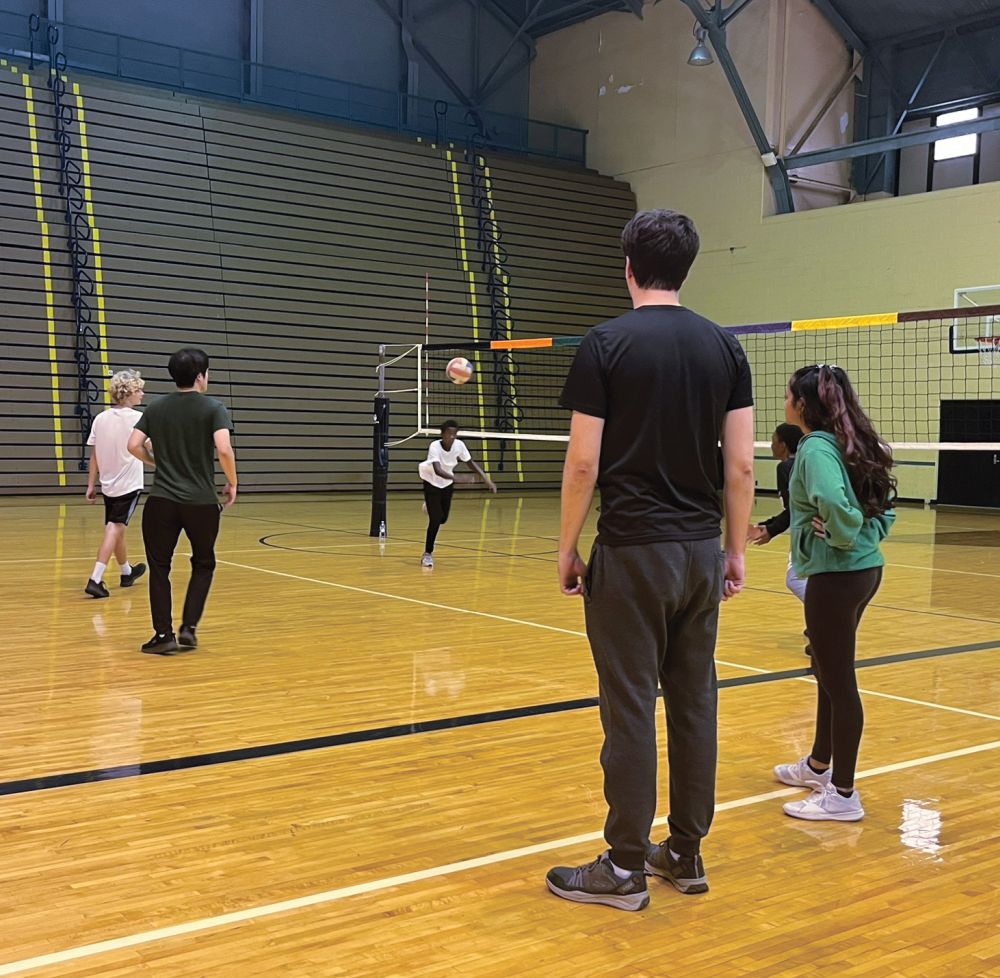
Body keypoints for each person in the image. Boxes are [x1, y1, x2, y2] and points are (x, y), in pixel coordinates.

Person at [546, 209, 756, 912]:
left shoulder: (605, 344)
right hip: (699, 554)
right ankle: (686, 854)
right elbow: (741, 467)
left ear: (628, 265)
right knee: (695, 702)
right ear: (686, 267)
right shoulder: (725, 348)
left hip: (633, 553)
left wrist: (569, 546)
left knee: (630, 706)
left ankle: (626, 865)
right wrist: (732, 548)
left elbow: (582, 464)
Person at [775, 364, 895, 822]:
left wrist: (845, 532)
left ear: (803, 405)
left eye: (789, 396)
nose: (785, 402)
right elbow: (885, 506)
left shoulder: (815, 449)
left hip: (836, 575)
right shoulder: (853, 443)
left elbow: (838, 506)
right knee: (825, 669)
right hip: (862, 571)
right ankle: (819, 765)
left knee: (839, 681)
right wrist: (865, 529)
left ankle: (843, 794)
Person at [127, 348, 237, 655]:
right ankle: (188, 627)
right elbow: (224, 450)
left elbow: (133, 444)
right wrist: (232, 482)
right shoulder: (214, 407)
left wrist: (156, 463)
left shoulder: (157, 407)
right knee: (203, 563)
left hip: (161, 501)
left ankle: (163, 635)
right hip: (201, 502)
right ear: (201, 375)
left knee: (159, 567)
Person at [84, 369, 148, 598]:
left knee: (117, 528)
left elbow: (94, 455)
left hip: (108, 484)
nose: (142, 394)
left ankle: (126, 572)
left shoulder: (100, 419)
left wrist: (91, 485)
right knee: (114, 528)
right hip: (129, 485)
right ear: (128, 392)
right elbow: (150, 447)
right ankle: (95, 578)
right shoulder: (138, 419)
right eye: (139, 390)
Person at [747, 423, 809, 653]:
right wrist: (769, 526)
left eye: (773, 439)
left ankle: (827, 621)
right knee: (810, 580)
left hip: (808, 531)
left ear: (783, 444)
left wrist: (771, 529)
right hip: (808, 528)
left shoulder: (786, 468)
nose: (770, 444)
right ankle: (820, 625)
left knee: (795, 579)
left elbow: (794, 510)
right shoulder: (805, 461)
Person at [418, 420, 496, 568]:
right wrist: (458, 479)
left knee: (443, 518)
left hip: (447, 483)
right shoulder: (434, 446)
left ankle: (429, 507)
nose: (452, 437)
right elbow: (437, 470)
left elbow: (470, 462)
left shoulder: (459, 446)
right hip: (431, 481)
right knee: (435, 520)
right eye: (449, 434)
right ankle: (427, 554)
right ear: (442, 434)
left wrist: (486, 479)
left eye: (454, 434)